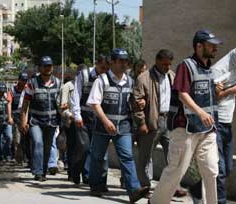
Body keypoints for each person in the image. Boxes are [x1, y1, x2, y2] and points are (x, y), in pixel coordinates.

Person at [149, 29, 223, 204]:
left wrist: (217, 91)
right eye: (211, 45)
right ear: (199, 46)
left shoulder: (210, 70)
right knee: (176, 171)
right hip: (186, 129)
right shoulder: (186, 66)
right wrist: (200, 112)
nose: (215, 48)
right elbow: (182, 93)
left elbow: (207, 98)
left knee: (211, 170)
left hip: (207, 129)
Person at [87, 48, 149, 203]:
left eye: (126, 61)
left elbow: (134, 102)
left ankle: (134, 190)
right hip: (103, 126)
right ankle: (96, 185)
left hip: (124, 127)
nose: (124, 64)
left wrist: (141, 102)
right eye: (120, 61)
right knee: (97, 156)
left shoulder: (131, 81)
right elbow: (95, 104)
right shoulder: (101, 80)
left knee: (127, 157)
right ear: (112, 62)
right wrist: (106, 121)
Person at [133, 49, 186, 198]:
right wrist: (141, 123)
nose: (167, 67)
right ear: (156, 61)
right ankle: (144, 187)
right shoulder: (144, 78)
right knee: (145, 156)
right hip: (152, 122)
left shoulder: (172, 76)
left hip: (169, 121)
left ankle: (174, 187)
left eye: (169, 64)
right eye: (164, 64)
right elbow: (136, 103)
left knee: (174, 156)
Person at [211, 48, 236, 204]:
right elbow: (212, 99)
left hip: (228, 123)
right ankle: (220, 201)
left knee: (227, 167)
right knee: (220, 169)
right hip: (216, 122)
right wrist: (231, 90)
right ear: (235, 60)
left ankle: (197, 189)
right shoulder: (218, 71)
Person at [70, 56, 110, 184]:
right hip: (84, 117)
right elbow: (76, 94)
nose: (104, 71)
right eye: (102, 67)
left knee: (95, 149)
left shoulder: (107, 77)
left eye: (107, 68)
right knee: (84, 147)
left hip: (99, 118)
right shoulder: (85, 75)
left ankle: (88, 175)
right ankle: (75, 172)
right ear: (96, 64)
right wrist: (77, 115)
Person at [21, 56, 61, 181]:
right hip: (35, 121)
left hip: (51, 122)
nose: (48, 68)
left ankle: (43, 171)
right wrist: (23, 122)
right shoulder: (32, 84)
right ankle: (37, 172)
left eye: (50, 66)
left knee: (47, 147)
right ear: (40, 68)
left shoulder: (58, 83)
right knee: (38, 143)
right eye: (45, 66)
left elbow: (62, 103)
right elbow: (25, 105)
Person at [9, 72, 28, 164]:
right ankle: (18, 158)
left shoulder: (28, 88)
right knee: (17, 139)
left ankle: (26, 157)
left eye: (25, 80)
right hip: (16, 118)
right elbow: (9, 104)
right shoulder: (12, 89)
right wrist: (10, 117)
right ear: (19, 80)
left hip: (26, 117)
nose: (24, 82)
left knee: (26, 138)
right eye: (23, 80)